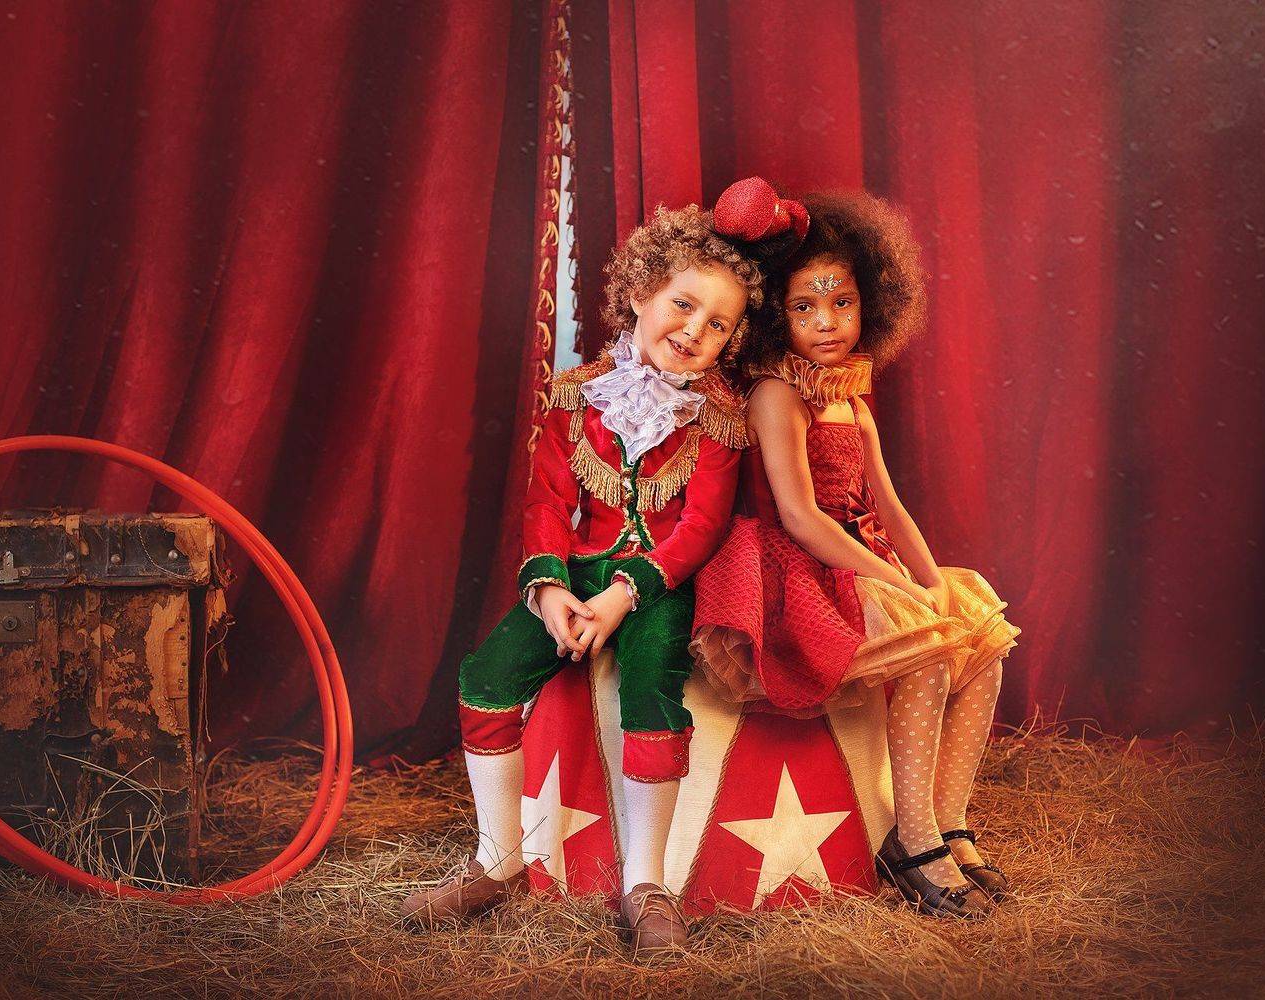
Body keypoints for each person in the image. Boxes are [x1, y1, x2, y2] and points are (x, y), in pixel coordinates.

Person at [403, 186, 799, 954]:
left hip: (655, 587)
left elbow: (701, 529)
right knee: (485, 677)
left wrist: (623, 597)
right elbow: (548, 504)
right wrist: (551, 590)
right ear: (641, 293)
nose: (695, 330)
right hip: (575, 578)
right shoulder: (575, 396)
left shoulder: (719, 419)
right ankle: (496, 862)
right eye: (683, 305)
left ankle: (645, 886)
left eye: (718, 324)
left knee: (652, 686)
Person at [692, 186, 1020, 918]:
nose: (827, 322)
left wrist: (930, 583)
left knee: (983, 641)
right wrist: (892, 586)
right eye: (804, 307)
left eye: (841, 303)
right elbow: (801, 516)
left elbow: (891, 507)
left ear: (870, 303)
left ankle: (950, 819)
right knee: (925, 652)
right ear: (776, 316)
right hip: (802, 571)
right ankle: (913, 838)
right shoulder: (778, 394)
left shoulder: (851, 399)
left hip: (861, 558)